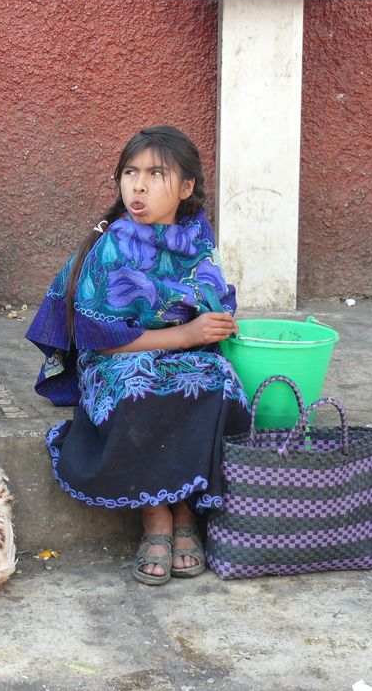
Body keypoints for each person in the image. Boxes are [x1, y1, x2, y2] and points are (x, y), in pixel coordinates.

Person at [26, 126, 249, 585]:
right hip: (115, 358)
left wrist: (214, 325)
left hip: (182, 351)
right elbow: (98, 337)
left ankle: (185, 507)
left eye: (154, 174)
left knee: (217, 380)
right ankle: (156, 515)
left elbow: (212, 306)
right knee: (139, 383)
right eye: (130, 172)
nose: (138, 186)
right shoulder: (113, 245)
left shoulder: (197, 240)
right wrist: (185, 335)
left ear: (186, 188)